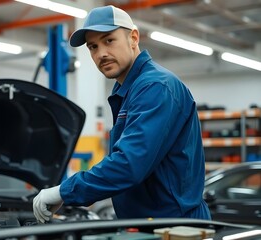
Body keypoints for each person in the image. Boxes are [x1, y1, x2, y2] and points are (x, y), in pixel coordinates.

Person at [33, 5, 211, 223]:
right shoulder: (128, 90)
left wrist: (63, 191)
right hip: (148, 223)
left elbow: (129, 164)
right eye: (93, 47)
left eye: (109, 40)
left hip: (176, 226)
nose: (101, 54)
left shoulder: (155, 87)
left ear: (133, 38)